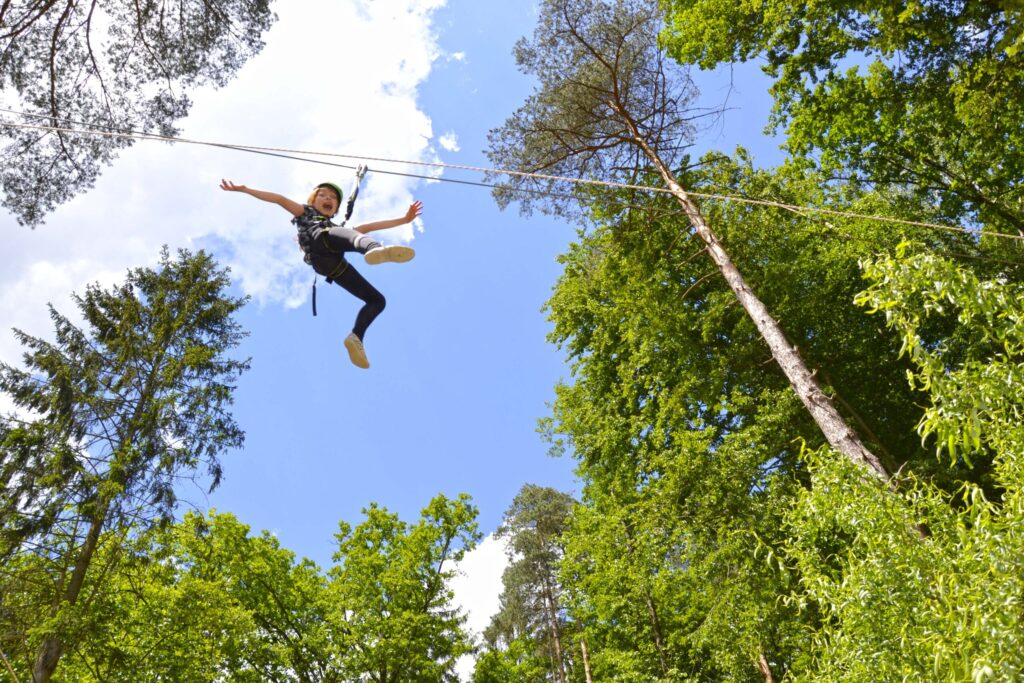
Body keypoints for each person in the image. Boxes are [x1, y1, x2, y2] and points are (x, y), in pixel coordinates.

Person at [220, 179, 422, 369]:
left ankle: (356, 336)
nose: (328, 199)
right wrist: (245, 190)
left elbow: (371, 226)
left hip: (332, 266)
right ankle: (373, 250)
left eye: (333, 198)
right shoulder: (304, 213)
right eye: (323, 195)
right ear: (312, 200)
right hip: (319, 243)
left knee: (377, 301)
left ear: (335, 209)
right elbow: (279, 199)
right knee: (350, 235)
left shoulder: (338, 229)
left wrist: (404, 220)